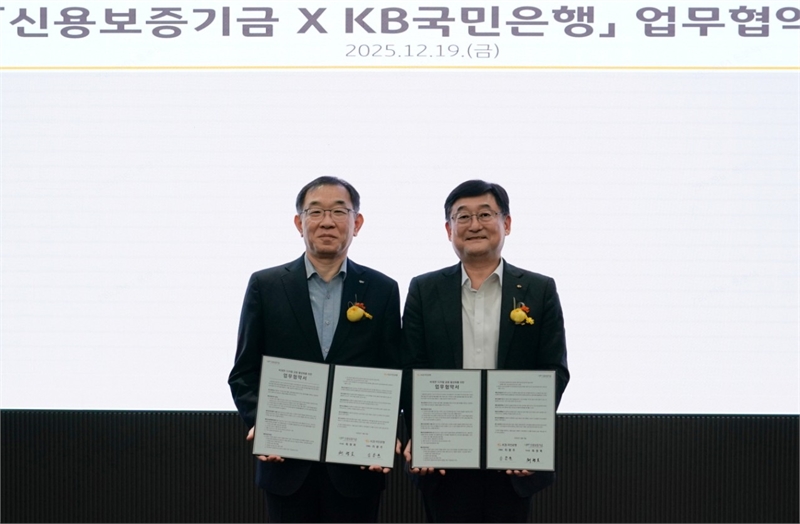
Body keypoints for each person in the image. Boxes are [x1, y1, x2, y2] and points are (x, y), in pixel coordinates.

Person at [228, 176, 402, 523]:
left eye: (339, 211)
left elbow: (393, 371)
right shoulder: (266, 285)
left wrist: (387, 430)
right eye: (316, 212)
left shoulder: (382, 289)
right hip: (286, 463)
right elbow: (244, 372)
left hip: (357, 467)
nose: (327, 222)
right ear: (299, 222)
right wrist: (262, 421)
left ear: (357, 223)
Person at [401, 180, 570, 523]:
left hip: (511, 457)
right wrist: (421, 432)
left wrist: (526, 431)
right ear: (448, 229)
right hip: (444, 456)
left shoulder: (539, 290)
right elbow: (411, 367)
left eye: (485, 214)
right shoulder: (424, 289)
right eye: (462, 217)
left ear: (506, 223)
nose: (474, 225)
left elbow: (554, 368)